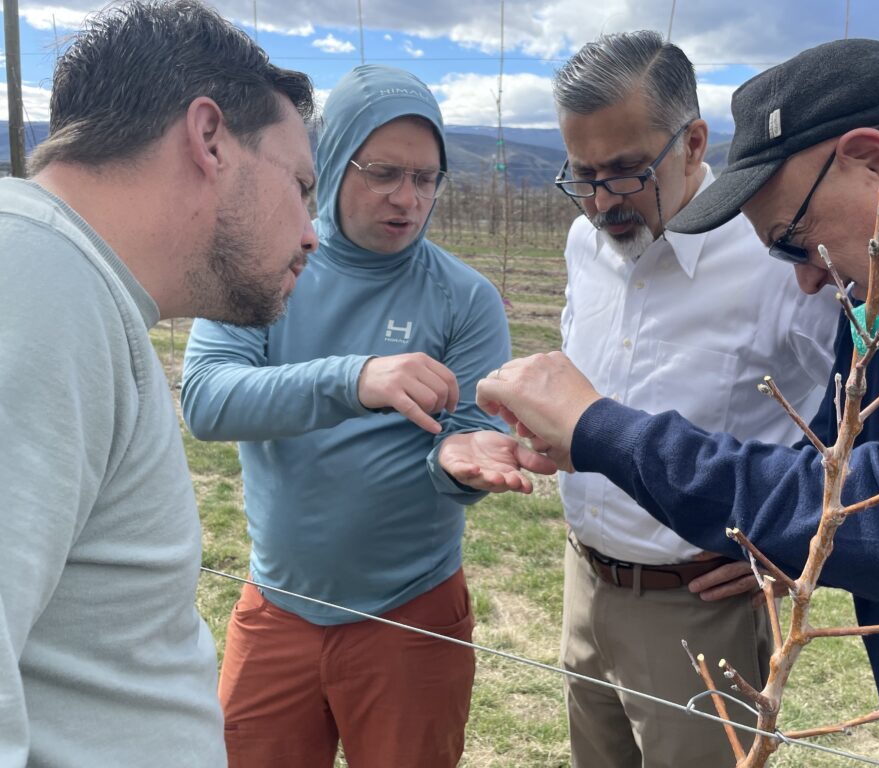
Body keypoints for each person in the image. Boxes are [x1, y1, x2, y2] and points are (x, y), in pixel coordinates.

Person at [478, 38, 879, 768]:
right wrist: (771, 530)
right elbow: (843, 449)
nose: (806, 287)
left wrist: (599, 427)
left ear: (874, 161)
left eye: (796, 243)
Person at [180, 64, 552, 768]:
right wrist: (356, 379)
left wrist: (458, 464)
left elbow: (472, 435)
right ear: (332, 158)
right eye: (384, 172)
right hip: (277, 604)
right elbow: (207, 397)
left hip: (411, 613)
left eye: (426, 179)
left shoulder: (464, 299)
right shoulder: (268, 263)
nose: (407, 199)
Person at [0, 2, 318, 766]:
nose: (312, 229)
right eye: (302, 185)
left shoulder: (71, 283)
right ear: (209, 137)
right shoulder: (37, 288)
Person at [548, 31, 838, 767]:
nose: (603, 202)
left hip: (701, 613)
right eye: (582, 175)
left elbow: (862, 408)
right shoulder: (586, 245)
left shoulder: (776, 256)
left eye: (624, 171)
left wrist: (798, 540)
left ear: (694, 141)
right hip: (583, 584)